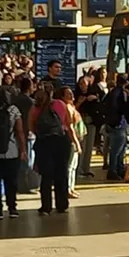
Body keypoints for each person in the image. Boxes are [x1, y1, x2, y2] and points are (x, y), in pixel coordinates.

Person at [0, 86, 27, 219]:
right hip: (10, 151)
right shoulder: (13, 110)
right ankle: (12, 208)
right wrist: (23, 149)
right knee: (11, 181)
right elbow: (19, 132)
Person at [29, 85, 72, 216]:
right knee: (62, 173)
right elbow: (68, 122)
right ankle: (62, 205)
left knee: (46, 176)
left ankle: (46, 207)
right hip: (61, 140)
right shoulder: (60, 104)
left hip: (44, 142)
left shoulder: (35, 108)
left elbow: (31, 126)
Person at [103, 75, 129, 181]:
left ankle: (118, 168)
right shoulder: (121, 93)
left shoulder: (112, 92)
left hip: (112, 123)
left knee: (118, 148)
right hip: (119, 123)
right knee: (117, 149)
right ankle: (114, 170)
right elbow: (121, 108)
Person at [60, 86, 84, 199]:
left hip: (76, 138)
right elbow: (70, 126)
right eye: (68, 94)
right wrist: (75, 141)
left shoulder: (72, 106)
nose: (71, 95)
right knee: (70, 166)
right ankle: (67, 189)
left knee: (73, 166)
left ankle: (71, 187)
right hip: (70, 139)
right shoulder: (67, 108)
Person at [74, 76, 98, 179]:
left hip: (91, 122)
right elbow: (73, 109)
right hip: (81, 122)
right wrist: (80, 102)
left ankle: (86, 168)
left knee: (89, 147)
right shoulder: (76, 95)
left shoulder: (93, 93)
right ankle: (78, 169)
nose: (82, 86)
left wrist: (95, 98)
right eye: (80, 84)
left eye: (84, 83)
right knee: (81, 146)